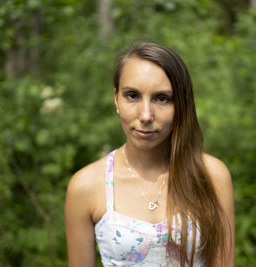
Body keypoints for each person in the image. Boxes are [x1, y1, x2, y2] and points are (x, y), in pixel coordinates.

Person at [65, 42, 235, 267]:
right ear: (116, 98)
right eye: (132, 95)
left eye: (162, 98)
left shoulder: (212, 176)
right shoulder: (86, 186)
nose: (146, 115)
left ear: (181, 105)